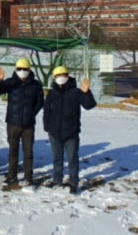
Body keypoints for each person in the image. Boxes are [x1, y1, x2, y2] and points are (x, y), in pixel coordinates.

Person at [42, 66, 97, 195]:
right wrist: (47, 126)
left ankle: (73, 183)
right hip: (54, 132)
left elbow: (89, 105)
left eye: (63, 75)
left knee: (72, 160)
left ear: (67, 76)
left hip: (71, 132)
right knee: (57, 158)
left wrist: (87, 92)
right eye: (58, 75)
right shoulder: (52, 93)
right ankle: (57, 179)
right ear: (54, 78)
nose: (60, 78)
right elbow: (47, 111)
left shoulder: (76, 92)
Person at [0, 58, 44, 185]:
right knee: (13, 150)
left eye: (25, 69)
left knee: (28, 152)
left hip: (28, 125)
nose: (22, 71)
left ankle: (28, 176)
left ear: (29, 70)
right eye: (19, 69)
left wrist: (31, 113)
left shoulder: (36, 84)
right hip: (13, 123)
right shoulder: (10, 82)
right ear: (15, 69)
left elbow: (40, 102)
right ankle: (12, 175)